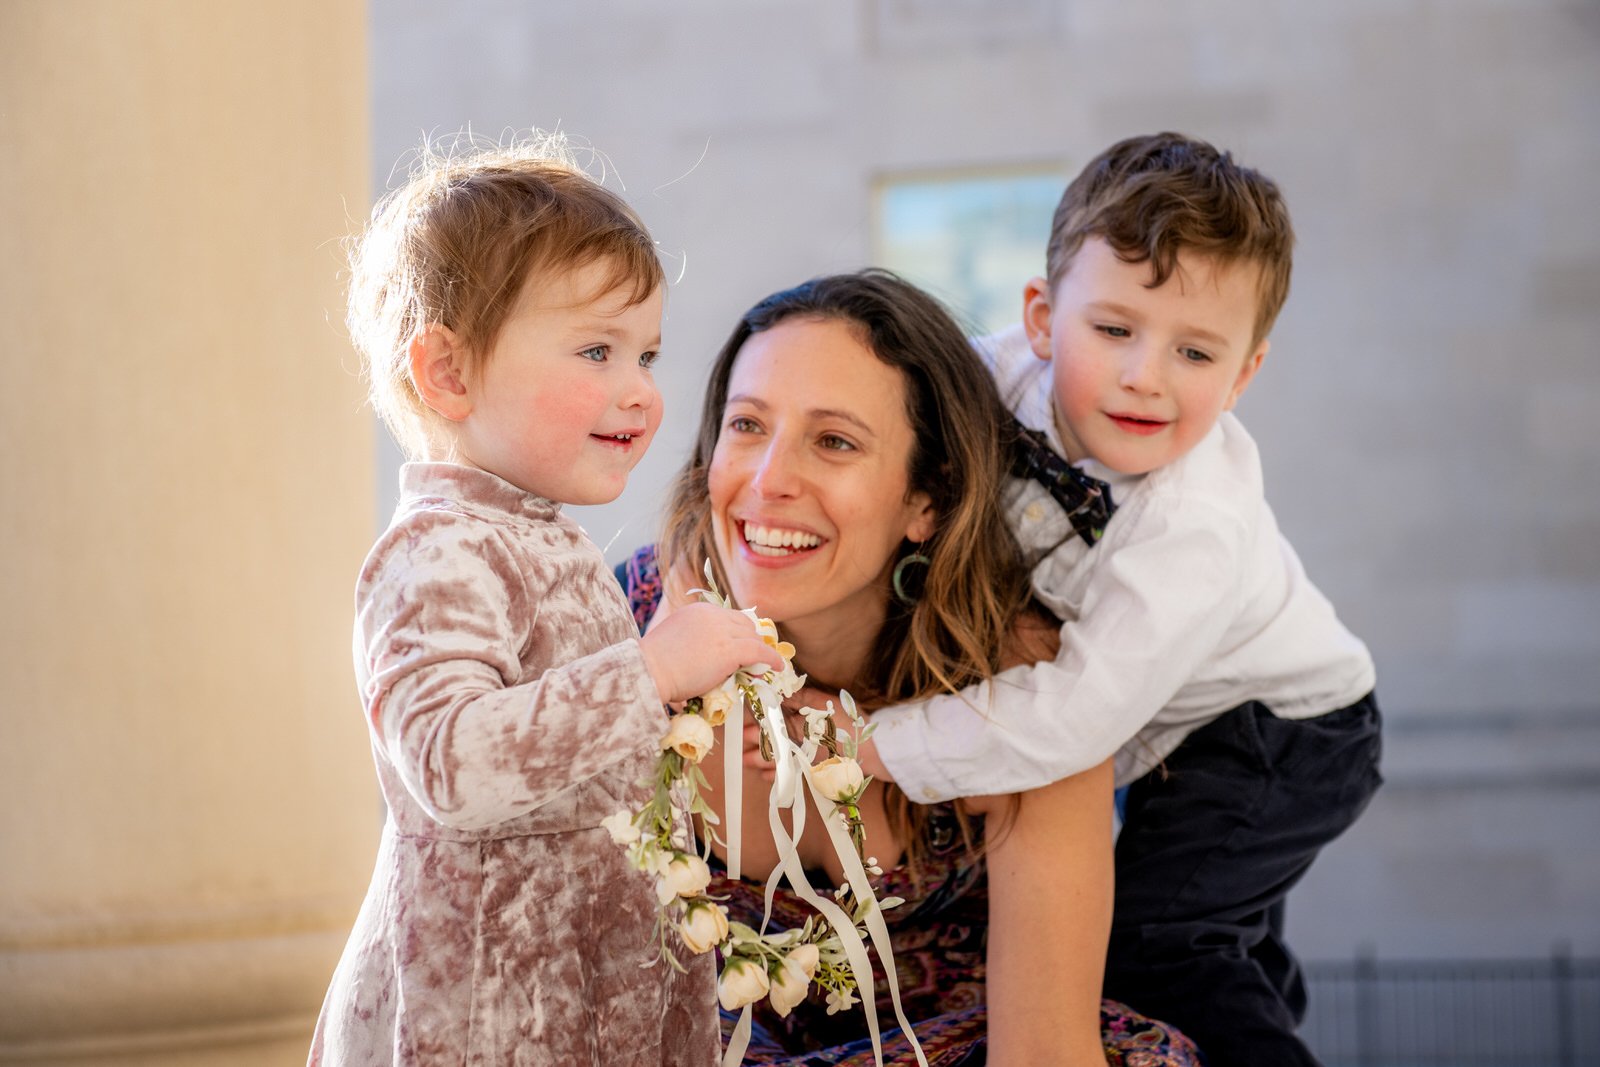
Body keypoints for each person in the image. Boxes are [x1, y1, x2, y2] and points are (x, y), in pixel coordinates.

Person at [851, 132, 1383, 1065]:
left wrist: (878, 747)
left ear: (1245, 373)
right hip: (1193, 720)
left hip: (1282, 729)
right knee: (1224, 931)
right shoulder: (990, 376)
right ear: (1042, 318)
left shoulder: (1195, 526)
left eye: (1194, 351)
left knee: (1156, 942)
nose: (1147, 374)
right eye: (1114, 330)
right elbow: (890, 407)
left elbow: (1074, 718)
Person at [622, 269, 1202, 1066]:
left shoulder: (1029, 691)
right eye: (748, 425)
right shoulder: (625, 630)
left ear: (925, 501)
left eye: (835, 441)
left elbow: (1044, 1047)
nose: (769, 480)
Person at [309, 137, 783, 1066]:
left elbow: (583, 759)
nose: (639, 391)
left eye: (645, 354)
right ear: (447, 372)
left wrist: (699, 723)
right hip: (489, 1007)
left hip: (588, 990)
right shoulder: (436, 549)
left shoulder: (540, 535)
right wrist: (653, 668)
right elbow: (449, 761)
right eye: (597, 350)